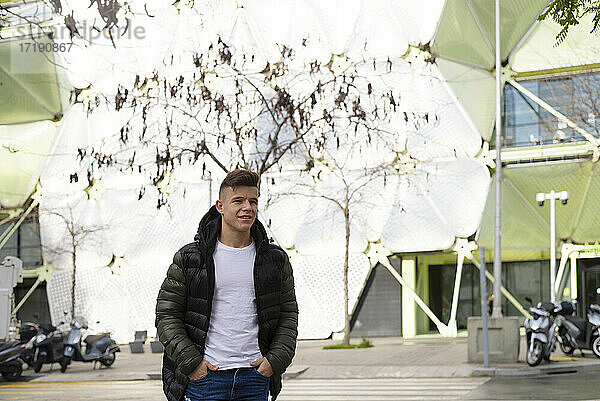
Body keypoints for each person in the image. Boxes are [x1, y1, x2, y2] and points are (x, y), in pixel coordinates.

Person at [155, 169, 298, 401]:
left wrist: (274, 361)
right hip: (206, 378)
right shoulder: (191, 258)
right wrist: (192, 364)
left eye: (253, 201)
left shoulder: (274, 259)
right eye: (238, 201)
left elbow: (288, 314)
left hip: (255, 377)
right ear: (220, 206)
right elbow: (166, 315)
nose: (247, 207)